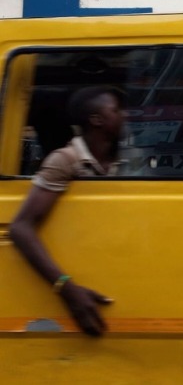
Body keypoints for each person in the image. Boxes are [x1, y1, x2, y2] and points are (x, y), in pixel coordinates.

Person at [9, 85, 126, 336]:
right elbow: (20, 227)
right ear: (97, 120)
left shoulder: (124, 157)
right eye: (116, 110)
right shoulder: (65, 160)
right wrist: (67, 289)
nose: (124, 115)